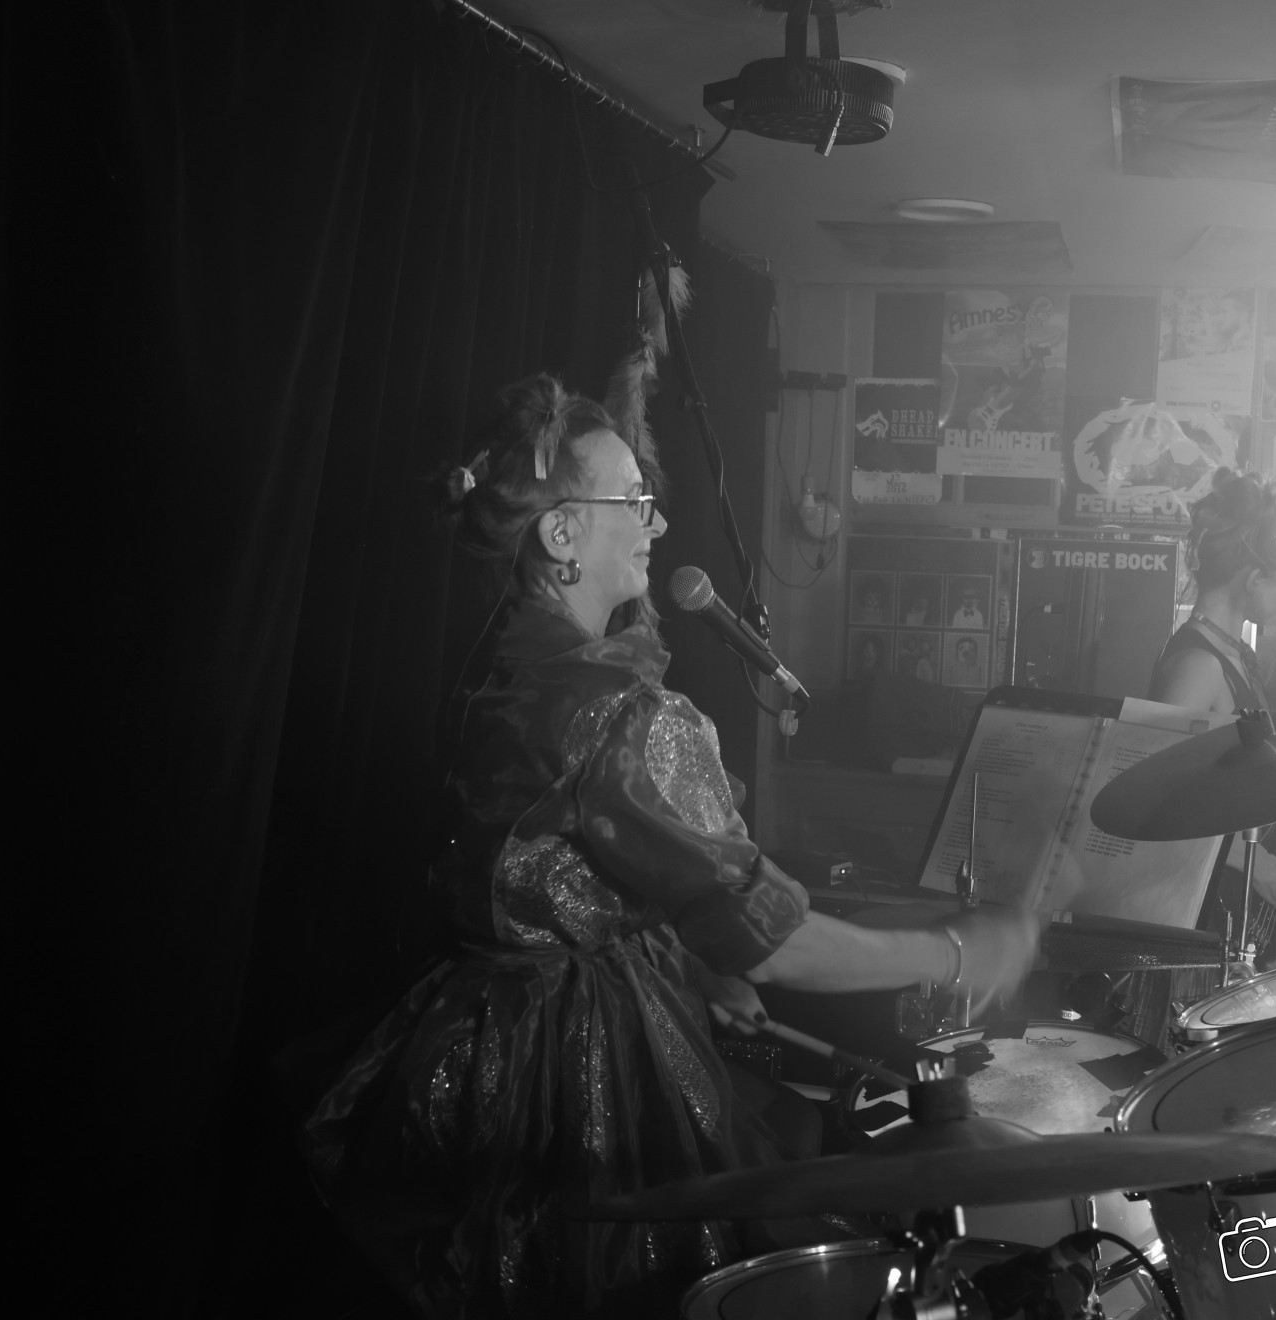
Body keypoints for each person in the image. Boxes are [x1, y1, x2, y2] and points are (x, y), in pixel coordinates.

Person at [301, 375, 1037, 1319]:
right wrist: (957, 952)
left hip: (474, 1032)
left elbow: (559, 879)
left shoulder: (497, 671)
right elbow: (774, 943)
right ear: (562, 536)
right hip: (569, 1061)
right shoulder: (623, 715)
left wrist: (690, 968)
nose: (655, 522)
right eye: (633, 499)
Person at [1148, 469, 1276, 940]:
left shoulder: (1234, 653)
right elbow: (1152, 801)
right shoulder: (1198, 666)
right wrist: (1251, 861)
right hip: (1198, 914)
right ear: (1255, 579)